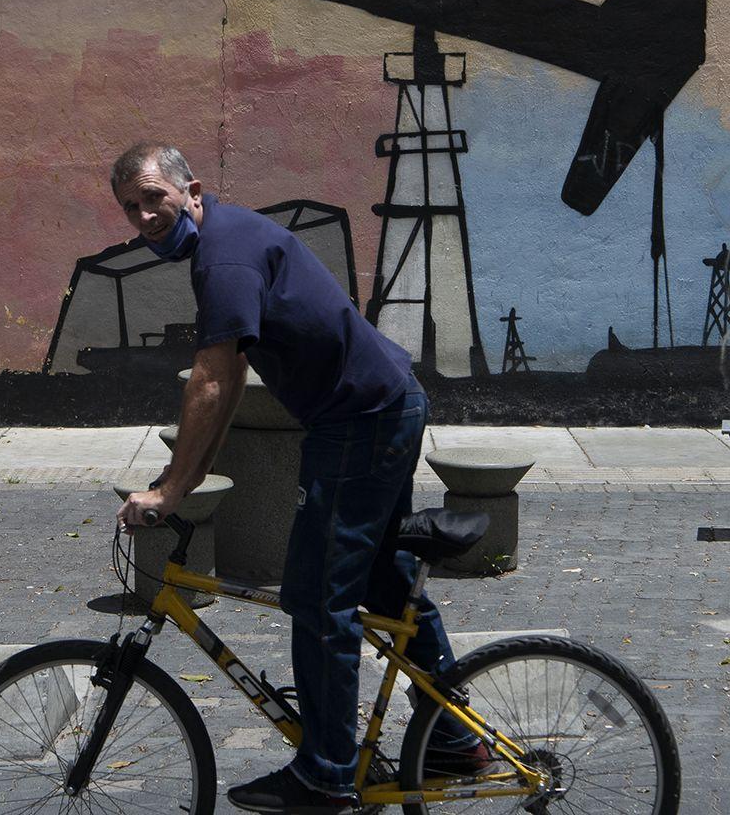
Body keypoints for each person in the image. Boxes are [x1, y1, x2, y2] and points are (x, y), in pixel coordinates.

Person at [110, 142, 476, 813]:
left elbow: (214, 377)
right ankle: (454, 736)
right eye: (131, 209)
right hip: (380, 407)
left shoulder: (222, 256)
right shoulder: (223, 241)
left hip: (361, 419)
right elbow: (233, 377)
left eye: (154, 199)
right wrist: (186, 480)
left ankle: (326, 772)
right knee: (377, 577)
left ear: (192, 190)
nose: (144, 218)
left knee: (314, 596)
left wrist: (168, 491)